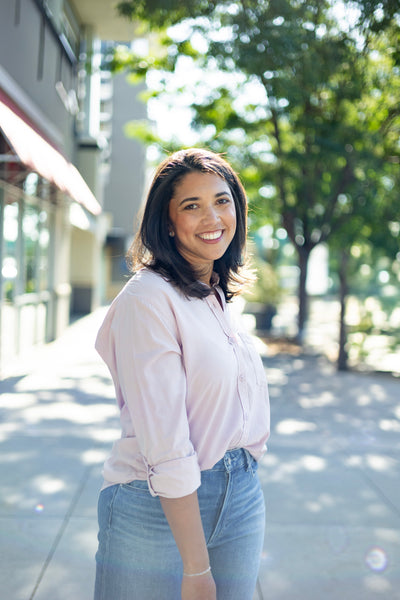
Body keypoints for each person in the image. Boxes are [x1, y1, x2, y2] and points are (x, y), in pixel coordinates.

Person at [94, 148, 270, 600]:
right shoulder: (148, 298)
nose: (212, 216)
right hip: (155, 505)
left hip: (241, 491)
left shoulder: (215, 296)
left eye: (222, 200)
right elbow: (167, 442)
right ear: (168, 222)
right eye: (192, 205)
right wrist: (196, 568)